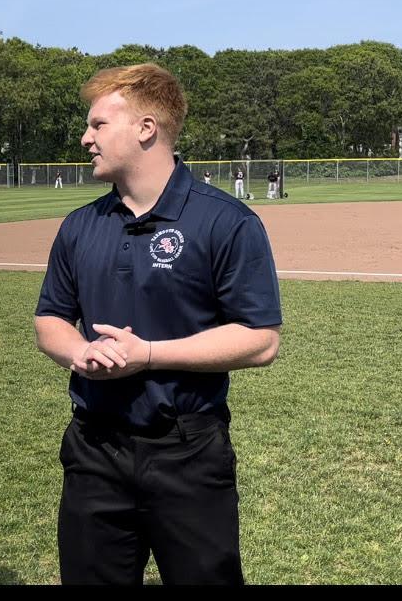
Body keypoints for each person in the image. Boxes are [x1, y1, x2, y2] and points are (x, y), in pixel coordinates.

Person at [34, 63, 282, 585]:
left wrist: (149, 355)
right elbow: (50, 319)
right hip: (93, 449)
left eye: (98, 125)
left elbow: (260, 339)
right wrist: (78, 351)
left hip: (187, 451)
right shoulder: (80, 226)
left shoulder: (225, 221)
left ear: (146, 128)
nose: (86, 138)